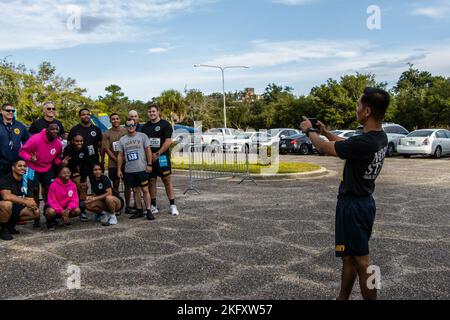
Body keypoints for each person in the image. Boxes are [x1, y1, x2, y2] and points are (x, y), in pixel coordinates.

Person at [300, 87, 390, 301]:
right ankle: (342, 298)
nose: (356, 108)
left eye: (358, 105)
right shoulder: (379, 137)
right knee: (349, 257)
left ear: (367, 111)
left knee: (363, 262)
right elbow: (345, 145)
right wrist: (325, 132)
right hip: (365, 203)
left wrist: (309, 131)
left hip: (353, 207)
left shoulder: (365, 142)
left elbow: (325, 148)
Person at [19, 123, 63, 228]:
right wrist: (30, 158)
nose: (55, 131)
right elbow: (22, 152)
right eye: (53, 129)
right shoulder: (35, 139)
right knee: (34, 190)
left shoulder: (58, 143)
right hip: (32, 167)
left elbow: (56, 157)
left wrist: (60, 162)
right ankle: (36, 217)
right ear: (47, 130)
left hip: (47, 168)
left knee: (50, 190)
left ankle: (49, 216)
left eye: (57, 129)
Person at [142, 104, 179, 216]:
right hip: (150, 159)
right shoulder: (145, 127)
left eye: (153, 111)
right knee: (152, 181)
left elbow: (168, 141)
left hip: (162, 157)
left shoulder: (165, 124)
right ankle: (153, 205)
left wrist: (157, 153)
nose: (151, 113)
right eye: (149, 112)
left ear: (158, 112)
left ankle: (172, 205)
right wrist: (149, 156)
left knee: (167, 180)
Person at [117, 119, 155, 220]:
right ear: (125, 126)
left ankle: (148, 210)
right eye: (129, 125)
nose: (131, 127)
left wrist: (149, 164)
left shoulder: (142, 136)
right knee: (135, 190)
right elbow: (120, 155)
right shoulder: (122, 140)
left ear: (136, 125)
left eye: (133, 125)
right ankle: (139, 210)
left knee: (145, 190)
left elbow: (148, 151)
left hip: (142, 168)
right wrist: (119, 169)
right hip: (129, 170)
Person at [0, 159, 39, 241]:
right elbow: (6, 196)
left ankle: (10, 225)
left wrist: (33, 206)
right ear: (13, 168)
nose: (23, 168)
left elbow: (30, 199)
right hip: (3, 207)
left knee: (35, 213)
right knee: (6, 204)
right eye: (20, 166)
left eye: (25, 166)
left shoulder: (27, 181)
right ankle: (3, 229)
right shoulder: (5, 179)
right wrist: (25, 201)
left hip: (16, 207)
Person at [102, 113, 130, 212]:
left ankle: (127, 206)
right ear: (110, 121)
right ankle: (118, 207)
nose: (115, 120)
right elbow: (106, 149)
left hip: (126, 163)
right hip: (113, 163)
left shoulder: (126, 131)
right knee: (115, 185)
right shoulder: (106, 133)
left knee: (127, 185)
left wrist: (123, 160)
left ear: (120, 119)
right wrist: (117, 160)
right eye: (113, 119)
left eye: (117, 118)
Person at [62, 134, 91, 222]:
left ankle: (82, 210)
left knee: (82, 187)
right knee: (71, 190)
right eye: (77, 141)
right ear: (72, 141)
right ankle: (65, 210)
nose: (79, 143)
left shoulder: (85, 149)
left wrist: (83, 180)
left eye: (81, 141)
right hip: (69, 171)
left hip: (80, 171)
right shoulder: (68, 149)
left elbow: (86, 164)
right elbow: (66, 164)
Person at [0, 103, 29, 176]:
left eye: (13, 111)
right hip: (1, 164)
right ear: (1, 111)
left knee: (15, 186)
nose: (11, 112)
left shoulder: (20, 125)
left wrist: (24, 156)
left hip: (16, 164)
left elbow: (28, 142)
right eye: (8, 110)